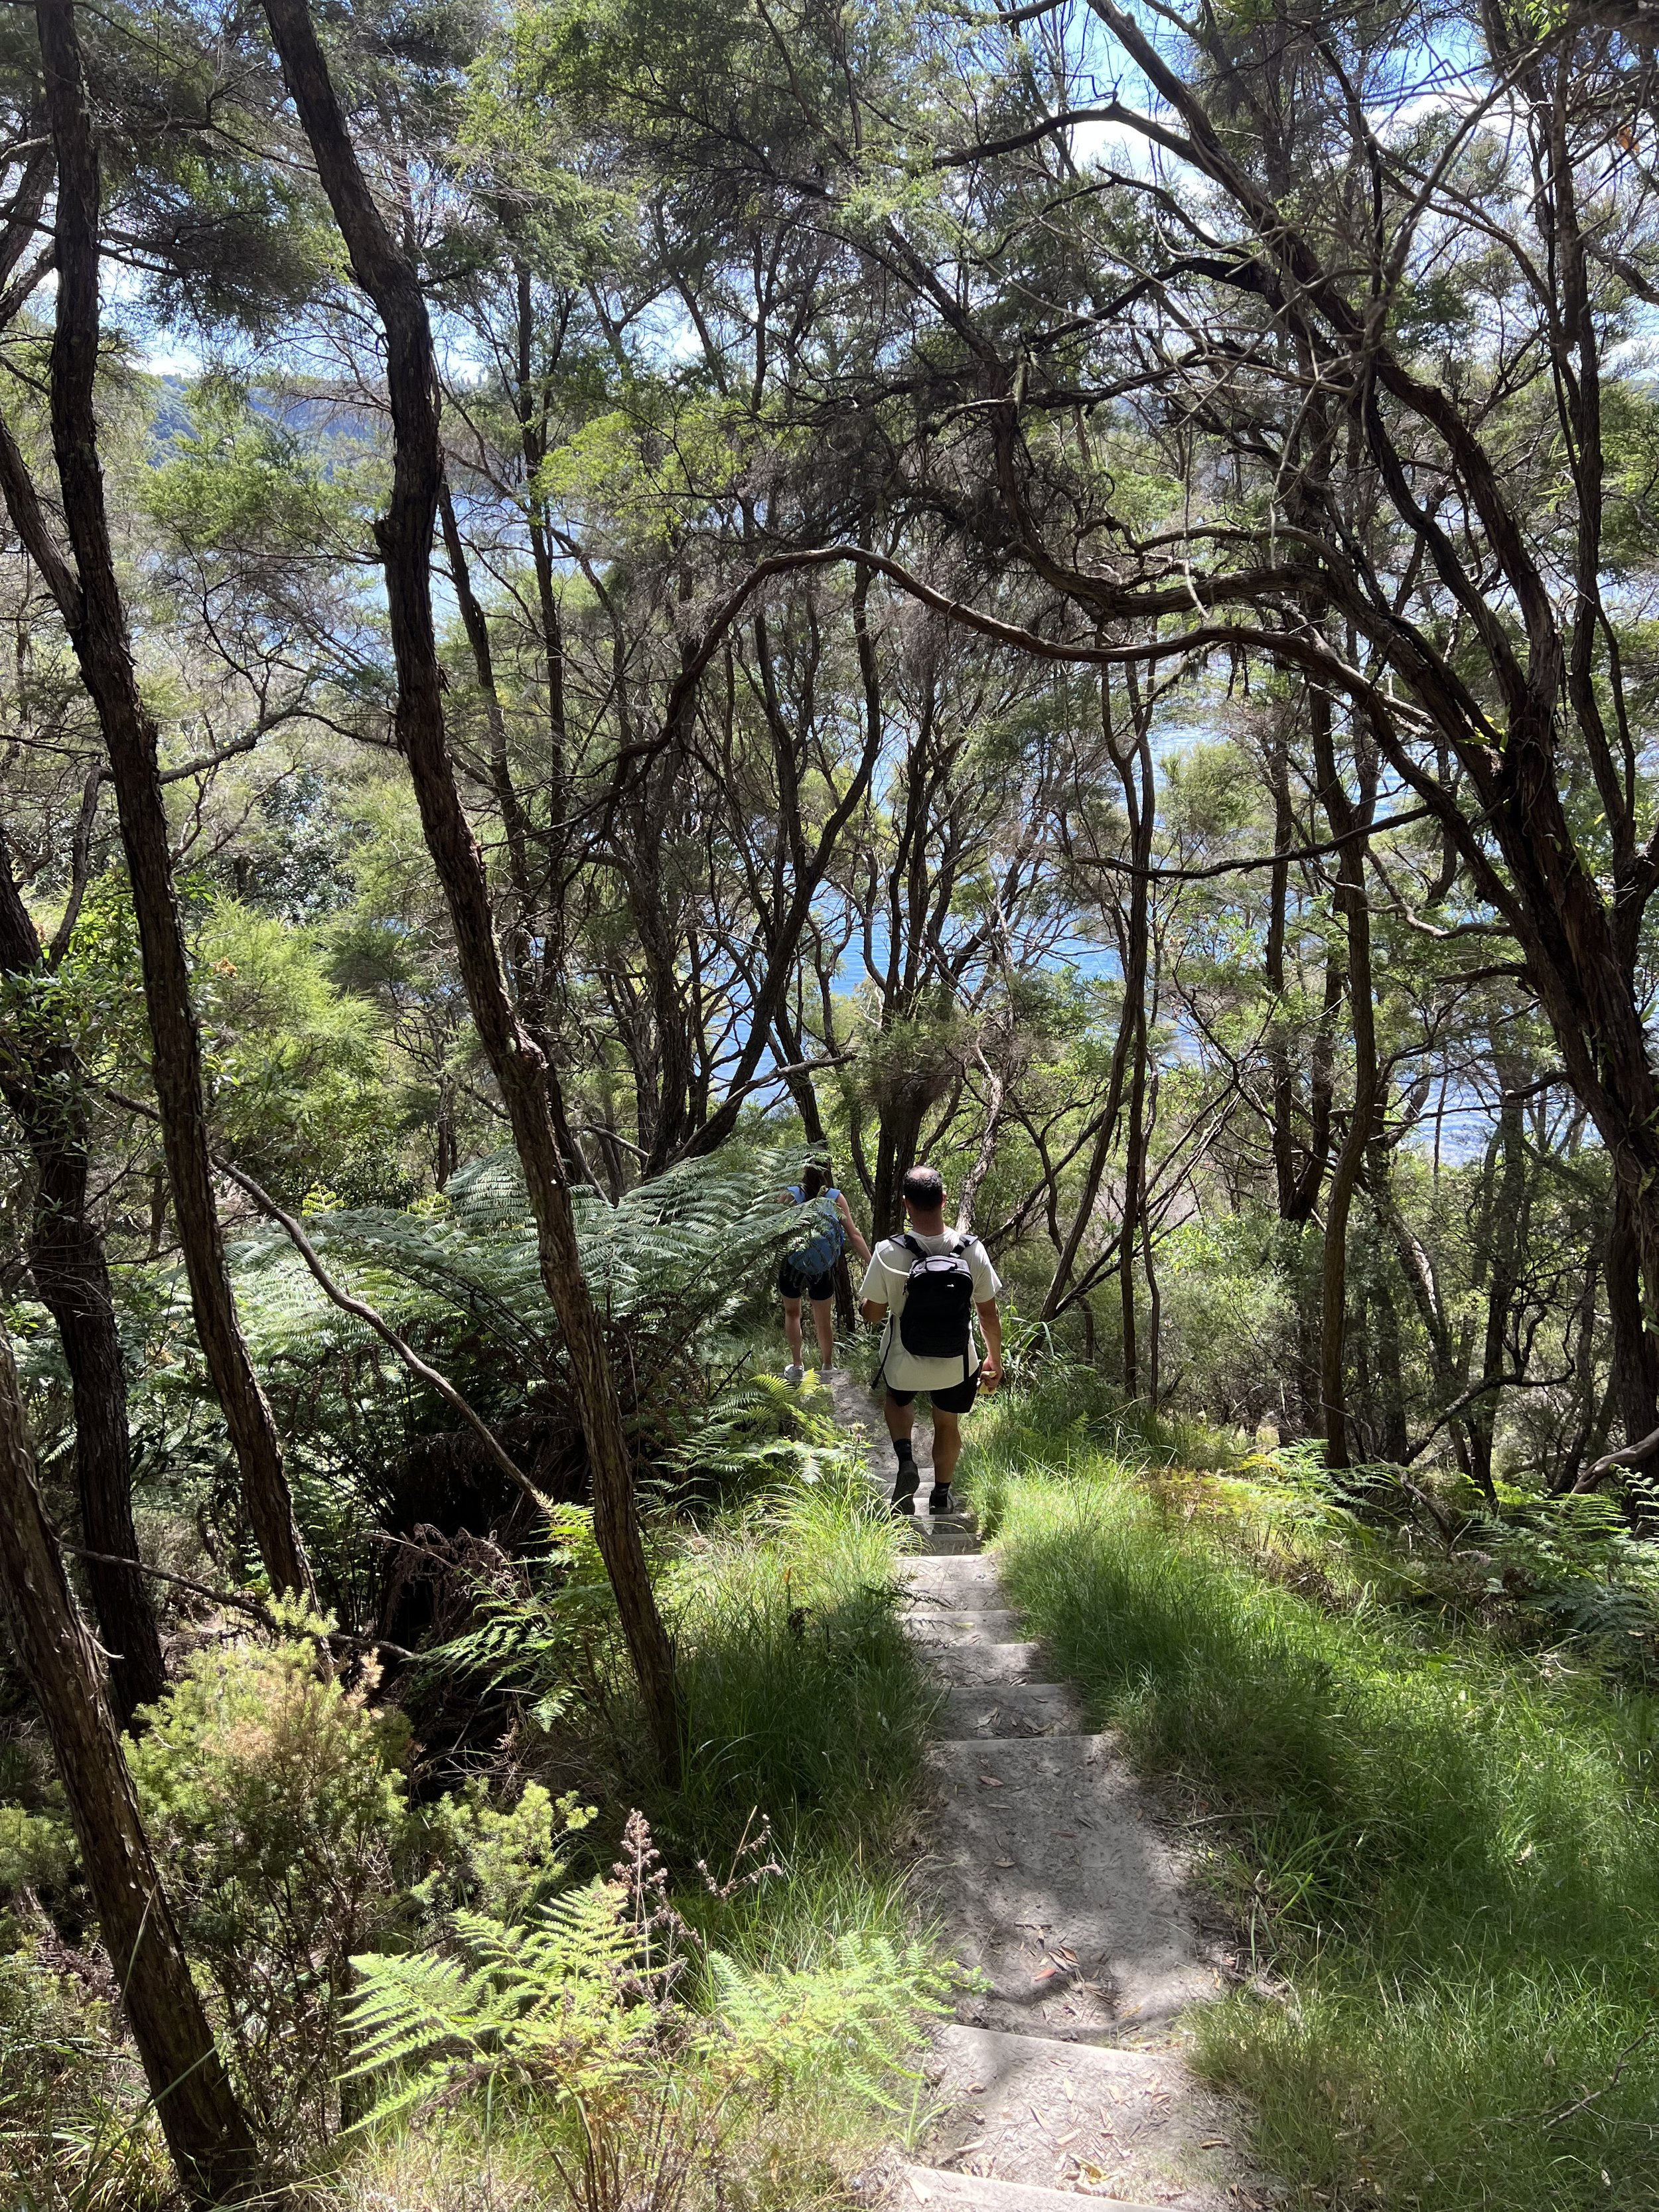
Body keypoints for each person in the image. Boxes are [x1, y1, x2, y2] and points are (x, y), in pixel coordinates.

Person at [859, 1163, 1003, 1516]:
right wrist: (994, 1360)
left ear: (906, 1203)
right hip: (957, 1363)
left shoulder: (887, 1251)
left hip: (904, 1360)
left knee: (897, 1402)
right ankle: (941, 1496)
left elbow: (873, 1314)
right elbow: (988, 1314)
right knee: (947, 1423)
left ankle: (906, 1460)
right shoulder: (972, 1250)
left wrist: (868, 1302)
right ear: (944, 1199)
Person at [778, 1160, 871, 1384]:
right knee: (823, 1319)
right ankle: (827, 1366)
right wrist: (872, 1262)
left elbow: (777, 1231)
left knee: (792, 1313)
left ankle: (797, 1367)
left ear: (804, 1168)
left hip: (792, 1265)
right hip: (822, 1266)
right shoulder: (835, 1198)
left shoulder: (789, 1196)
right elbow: (854, 1234)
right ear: (826, 1171)